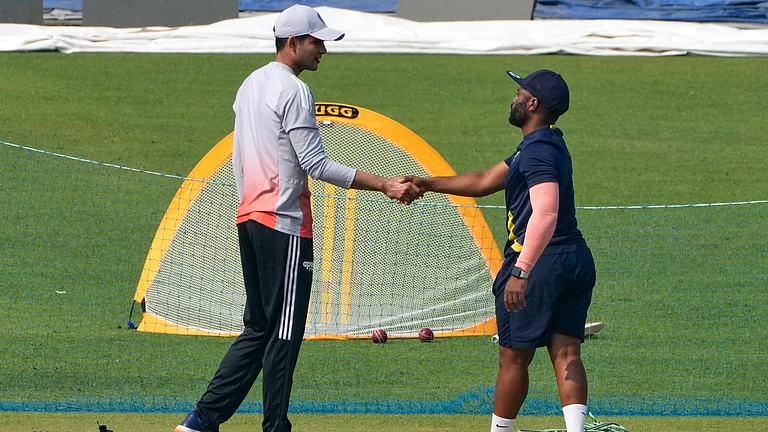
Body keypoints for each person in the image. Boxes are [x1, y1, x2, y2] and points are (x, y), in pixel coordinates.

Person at [174, 5, 420, 432]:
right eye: (316, 41)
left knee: (258, 328)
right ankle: (274, 427)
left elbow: (241, 155)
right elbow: (316, 164)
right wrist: (385, 184)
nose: (323, 49)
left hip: (249, 218)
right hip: (284, 223)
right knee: (284, 333)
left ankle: (200, 422)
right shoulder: (295, 91)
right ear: (293, 43)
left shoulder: (251, 84)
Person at [403, 69, 596, 432]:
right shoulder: (546, 143)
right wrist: (427, 183)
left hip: (539, 262)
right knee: (567, 352)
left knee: (513, 358)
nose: (514, 97)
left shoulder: (537, 151)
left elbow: (547, 210)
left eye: (520, 91)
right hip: (574, 258)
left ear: (532, 103)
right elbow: (484, 181)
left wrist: (521, 270)